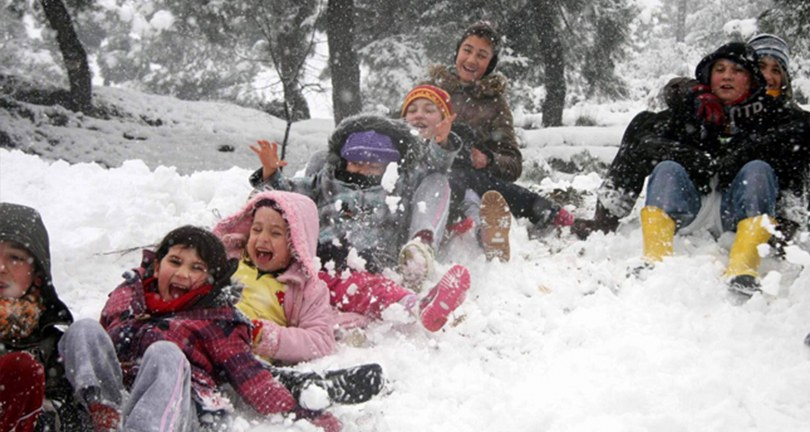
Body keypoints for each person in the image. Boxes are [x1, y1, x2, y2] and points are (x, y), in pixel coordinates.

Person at [57, 225, 343, 431]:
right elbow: (96, 350)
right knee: (83, 329)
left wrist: (299, 412)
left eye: (197, 268)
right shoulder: (128, 295)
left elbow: (251, 377)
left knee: (165, 353)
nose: (182, 273)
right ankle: (103, 415)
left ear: (211, 280)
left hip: (176, 409)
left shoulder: (217, 320)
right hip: (117, 396)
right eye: (175, 261)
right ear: (157, 266)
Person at [583, 42, 805, 296]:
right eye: (720, 69)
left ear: (751, 80)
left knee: (758, 170)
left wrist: (742, 156)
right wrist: (693, 155)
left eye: (737, 71)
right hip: (692, 207)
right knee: (666, 169)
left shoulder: (778, 117)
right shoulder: (694, 108)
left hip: (736, 213)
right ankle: (655, 258)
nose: (728, 76)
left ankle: (743, 269)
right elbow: (645, 140)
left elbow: (793, 149)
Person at [244, 122, 471, 332]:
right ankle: (336, 323)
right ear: (344, 161)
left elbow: (431, 171)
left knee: (373, 290)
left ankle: (419, 306)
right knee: (316, 292)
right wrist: (271, 173)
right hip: (322, 257)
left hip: (370, 259)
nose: (362, 170)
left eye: (372, 165)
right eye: (356, 163)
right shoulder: (326, 181)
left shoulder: (393, 185)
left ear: (387, 166)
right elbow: (290, 194)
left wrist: (441, 145)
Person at [401, 84, 575, 262]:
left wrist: (486, 159)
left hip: (461, 195)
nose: (419, 115)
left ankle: (487, 233)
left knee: (476, 192)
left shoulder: (459, 138)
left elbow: (495, 170)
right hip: (419, 202)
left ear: (446, 119)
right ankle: (526, 211)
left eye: (429, 110)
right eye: (412, 111)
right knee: (466, 185)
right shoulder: (399, 142)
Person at [0, 202, 92, 431]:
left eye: (15, 257)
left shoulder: (53, 342)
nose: (1, 267)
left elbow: (73, 420)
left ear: (38, 274)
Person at [424, 20, 522, 182]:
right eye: (467, 50)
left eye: (481, 56)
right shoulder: (429, 90)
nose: (471, 60)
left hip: (471, 184)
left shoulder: (495, 104)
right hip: (423, 180)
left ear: (491, 63)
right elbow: (402, 133)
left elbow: (514, 165)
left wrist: (488, 159)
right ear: (457, 52)